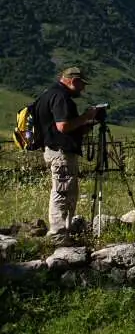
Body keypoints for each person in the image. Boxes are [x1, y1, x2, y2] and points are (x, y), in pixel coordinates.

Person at [35, 67, 99, 245]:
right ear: (72, 80)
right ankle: (58, 235)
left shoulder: (48, 94)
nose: (82, 89)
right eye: (81, 84)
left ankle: (65, 232)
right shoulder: (61, 97)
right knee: (63, 192)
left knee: (68, 191)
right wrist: (86, 116)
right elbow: (63, 126)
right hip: (61, 152)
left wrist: (83, 126)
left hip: (54, 149)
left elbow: (62, 127)